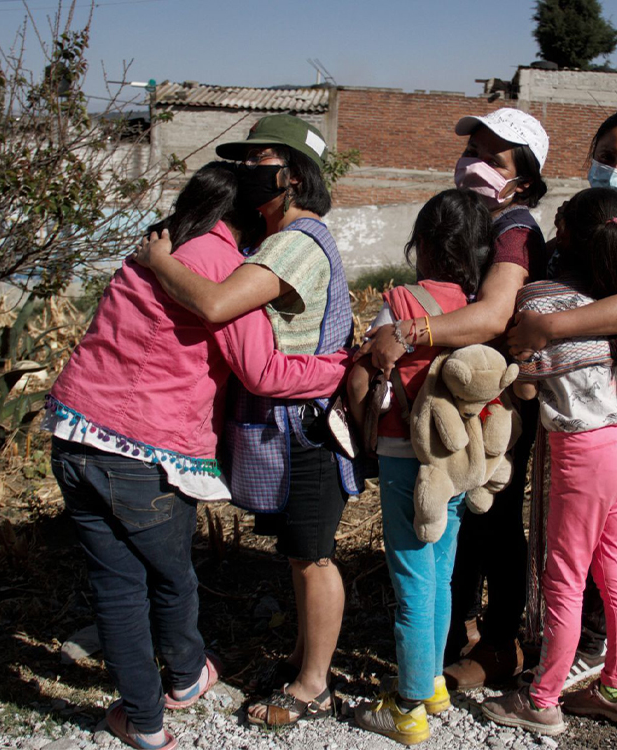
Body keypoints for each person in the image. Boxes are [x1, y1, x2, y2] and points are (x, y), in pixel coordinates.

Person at [45, 162, 350, 750]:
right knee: (168, 575)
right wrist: (333, 367)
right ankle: (185, 680)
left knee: (115, 586)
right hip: (145, 449)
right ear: (248, 215)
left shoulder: (154, 248)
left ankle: (143, 722)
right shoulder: (220, 265)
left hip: (73, 428)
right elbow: (260, 370)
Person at [136, 115, 360, 727]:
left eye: (259, 162)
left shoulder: (297, 240)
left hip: (305, 425)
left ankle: (314, 685)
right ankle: (301, 662)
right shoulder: (281, 242)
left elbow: (213, 302)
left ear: (291, 176)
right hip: (290, 420)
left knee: (313, 555)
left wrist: (160, 261)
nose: (246, 174)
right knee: (298, 554)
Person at [360, 107, 550, 690]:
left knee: (492, 517)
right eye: (473, 153)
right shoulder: (474, 222)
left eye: (492, 161)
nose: (473, 166)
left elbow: (494, 312)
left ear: (520, 181)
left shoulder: (513, 228)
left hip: (494, 399)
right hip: (461, 401)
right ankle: (452, 634)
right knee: (458, 524)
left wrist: (408, 332)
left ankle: (497, 641)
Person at [506, 108, 617, 691]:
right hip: (613, 419)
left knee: (576, 561)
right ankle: (614, 680)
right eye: (606, 155)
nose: (614, 169)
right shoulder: (594, 220)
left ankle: (558, 679)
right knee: (605, 560)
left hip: (598, 423)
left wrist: (543, 330)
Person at [480, 188, 617, 736]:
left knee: (565, 579)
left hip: (584, 455)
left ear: (565, 234)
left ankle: (543, 697)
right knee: (616, 573)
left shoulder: (539, 299)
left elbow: (525, 384)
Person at [347, 188, 494, 745]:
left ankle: (407, 707)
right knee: (440, 573)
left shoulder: (402, 303)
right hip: (457, 462)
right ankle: (432, 682)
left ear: (422, 243)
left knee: (409, 578)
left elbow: (370, 386)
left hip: (406, 457)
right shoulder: (475, 308)